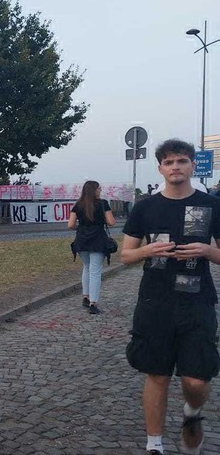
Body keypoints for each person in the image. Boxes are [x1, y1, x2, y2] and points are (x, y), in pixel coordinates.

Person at [121, 139, 220, 455]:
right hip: (155, 301)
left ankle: (192, 412)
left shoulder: (212, 205)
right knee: (157, 375)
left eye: (181, 161)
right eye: (169, 162)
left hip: (197, 301)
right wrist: (147, 250)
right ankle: (155, 444)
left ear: (192, 165)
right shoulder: (145, 207)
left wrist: (208, 250)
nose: (175, 167)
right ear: (160, 168)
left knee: (195, 381)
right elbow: (125, 254)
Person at [67, 180, 116, 314]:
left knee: (86, 267)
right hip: (98, 239)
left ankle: (85, 296)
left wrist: (81, 227)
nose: (100, 191)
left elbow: (70, 225)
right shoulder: (103, 204)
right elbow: (111, 222)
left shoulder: (78, 204)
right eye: (99, 189)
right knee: (95, 271)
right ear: (94, 190)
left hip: (82, 239)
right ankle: (93, 303)